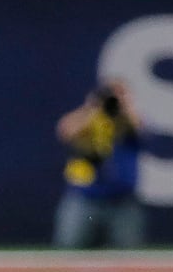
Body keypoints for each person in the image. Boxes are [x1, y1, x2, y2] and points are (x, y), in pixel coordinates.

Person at [53, 80, 144, 249]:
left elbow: (139, 127)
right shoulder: (91, 118)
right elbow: (65, 130)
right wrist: (91, 107)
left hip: (122, 202)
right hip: (84, 197)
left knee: (129, 259)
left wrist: (124, 106)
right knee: (68, 251)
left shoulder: (128, 121)